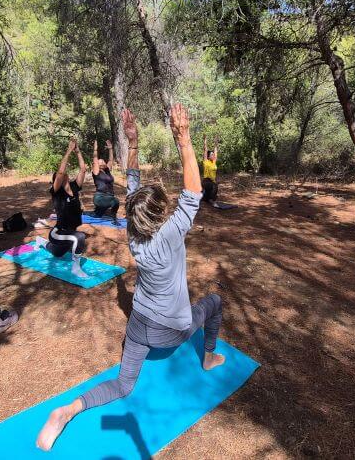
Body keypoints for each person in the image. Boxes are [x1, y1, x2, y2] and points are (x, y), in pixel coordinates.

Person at [36, 104, 225, 451]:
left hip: (138, 325)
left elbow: (133, 187)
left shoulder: (133, 233)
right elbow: (194, 194)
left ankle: (68, 410)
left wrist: (132, 142)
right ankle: (209, 356)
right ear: (160, 214)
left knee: (124, 385)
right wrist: (184, 140)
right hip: (170, 330)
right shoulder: (169, 235)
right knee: (215, 303)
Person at [37, 137, 89, 278]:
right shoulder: (56, 192)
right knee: (80, 237)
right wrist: (68, 151)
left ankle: (41, 242)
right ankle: (76, 268)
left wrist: (78, 152)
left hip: (69, 232)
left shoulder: (74, 187)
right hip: (58, 232)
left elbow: (83, 169)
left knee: (57, 253)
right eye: (58, 175)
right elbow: (60, 173)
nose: (62, 174)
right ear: (56, 180)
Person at [90, 139, 120, 221]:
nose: (103, 161)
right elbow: (95, 160)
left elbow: (110, 160)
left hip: (109, 197)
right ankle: (113, 217)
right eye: (101, 161)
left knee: (98, 215)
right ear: (98, 165)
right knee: (115, 201)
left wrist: (110, 148)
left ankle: (98, 211)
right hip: (100, 197)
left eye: (103, 161)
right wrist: (95, 149)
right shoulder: (96, 172)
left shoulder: (107, 170)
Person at [201, 134, 219, 207]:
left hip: (212, 181)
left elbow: (216, 151)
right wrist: (205, 140)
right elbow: (205, 150)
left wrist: (216, 143)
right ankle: (213, 202)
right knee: (215, 186)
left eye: (213, 155)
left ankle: (205, 198)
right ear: (208, 157)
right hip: (206, 181)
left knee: (209, 192)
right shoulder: (206, 162)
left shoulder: (213, 162)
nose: (213, 155)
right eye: (212, 155)